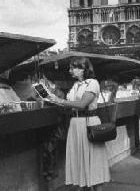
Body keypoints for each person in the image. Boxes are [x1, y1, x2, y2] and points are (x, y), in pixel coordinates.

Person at [46, 57, 110, 190]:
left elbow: (81, 104)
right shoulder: (76, 85)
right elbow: (69, 103)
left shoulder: (92, 83)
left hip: (88, 123)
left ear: (83, 69)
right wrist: (52, 98)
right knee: (80, 159)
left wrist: (60, 101)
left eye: (73, 68)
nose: (70, 71)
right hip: (75, 124)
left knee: (93, 160)